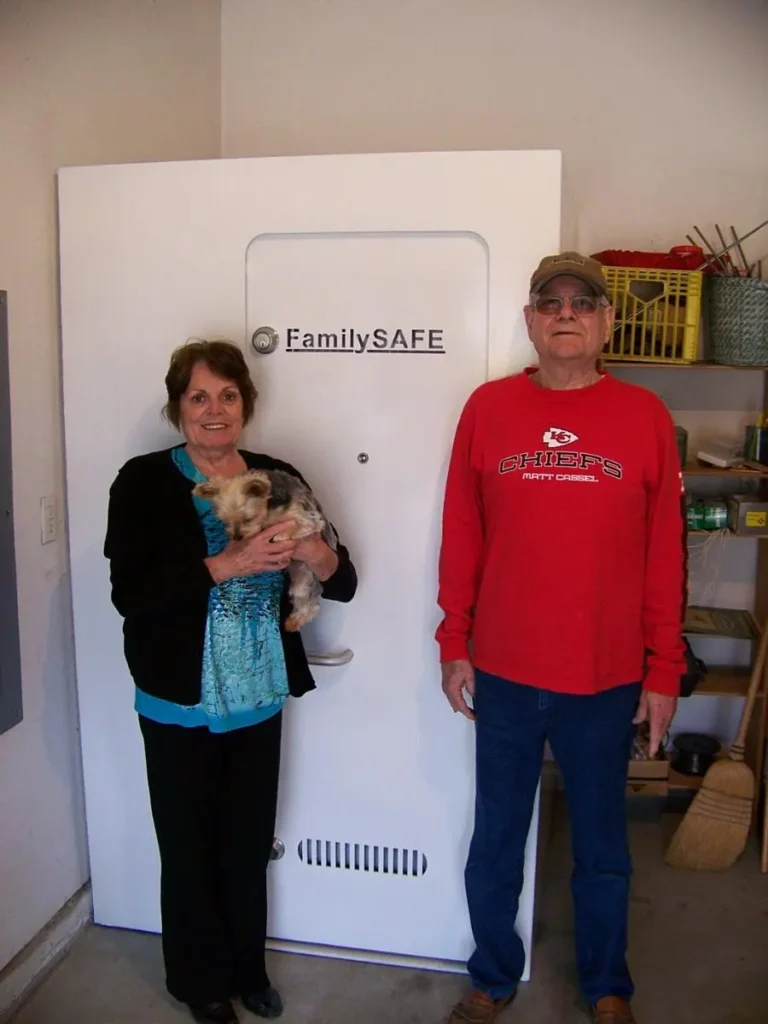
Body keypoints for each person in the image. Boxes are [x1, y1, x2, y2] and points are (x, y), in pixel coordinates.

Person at [436, 252, 685, 1024]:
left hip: (605, 675)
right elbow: (462, 531)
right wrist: (454, 640)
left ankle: (607, 985)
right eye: (551, 301)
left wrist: (664, 671)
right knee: (498, 837)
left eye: (584, 301)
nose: (567, 312)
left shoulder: (645, 416)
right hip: (505, 670)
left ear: (608, 321)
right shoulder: (487, 409)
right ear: (531, 320)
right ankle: (491, 975)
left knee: (603, 847)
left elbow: (664, 551)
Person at [104, 340, 357, 1024]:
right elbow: (132, 592)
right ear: (177, 407)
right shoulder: (144, 482)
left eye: (227, 396)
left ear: (247, 404)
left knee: (247, 844)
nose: (214, 411)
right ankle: (200, 983)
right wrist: (230, 563)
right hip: (177, 697)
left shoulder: (278, 476)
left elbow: (345, 578)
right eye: (198, 397)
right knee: (187, 847)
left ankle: (248, 970)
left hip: (258, 695)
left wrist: (313, 550)